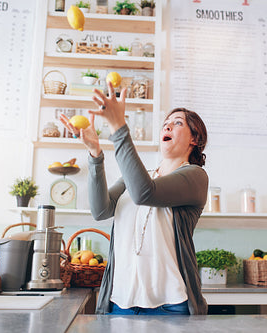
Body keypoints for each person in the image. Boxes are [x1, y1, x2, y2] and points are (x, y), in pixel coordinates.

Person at [74, 80, 208, 315]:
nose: (167, 127)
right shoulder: (139, 177)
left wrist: (118, 126)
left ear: (194, 139)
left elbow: (144, 193)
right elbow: (100, 210)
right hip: (121, 302)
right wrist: (95, 154)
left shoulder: (195, 177)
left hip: (170, 305)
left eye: (177, 123)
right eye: (165, 123)